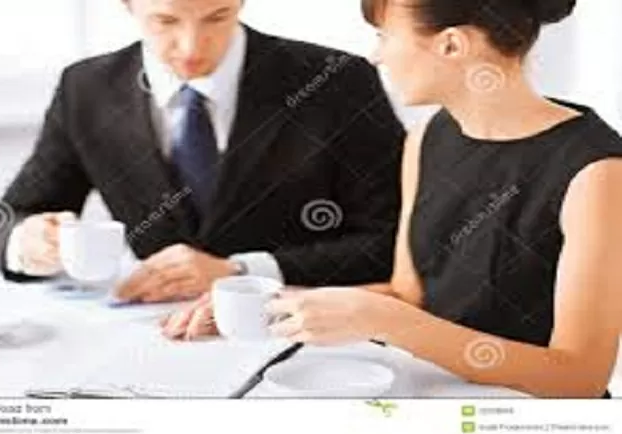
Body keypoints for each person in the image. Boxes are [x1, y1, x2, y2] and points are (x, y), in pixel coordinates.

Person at [168, 0, 622, 398]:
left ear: (451, 45)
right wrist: (272, 305)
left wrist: (389, 322)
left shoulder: (597, 171)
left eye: (384, 35)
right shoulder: (426, 138)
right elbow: (408, 294)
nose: (376, 55)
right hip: (436, 395)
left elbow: (578, 378)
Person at [0, 0, 405, 302]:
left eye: (217, 16)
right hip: (150, 334)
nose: (192, 47)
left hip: (305, 329)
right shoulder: (87, 89)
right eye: (165, 20)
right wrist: (28, 241)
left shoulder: (336, 80)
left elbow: (394, 240)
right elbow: (7, 217)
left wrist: (242, 271)